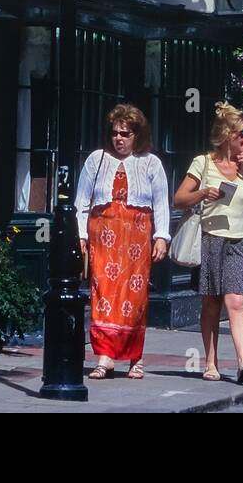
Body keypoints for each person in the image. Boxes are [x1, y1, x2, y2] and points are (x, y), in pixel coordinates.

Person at [75, 103, 170, 380]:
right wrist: (81, 234)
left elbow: (161, 203)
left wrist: (161, 237)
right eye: (116, 133)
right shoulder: (96, 159)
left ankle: (134, 357)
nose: (119, 138)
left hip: (136, 237)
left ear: (137, 136)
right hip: (103, 235)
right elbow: (82, 202)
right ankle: (105, 357)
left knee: (134, 297)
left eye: (126, 134)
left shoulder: (151, 163)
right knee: (102, 293)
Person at [174, 103, 243, 383]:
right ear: (227, 134)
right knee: (212, 303)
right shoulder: (203, 163)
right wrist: (203, 193)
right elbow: (179, 199)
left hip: (241, 239)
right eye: (242, 133)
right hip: (211, 238)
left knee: (236, 301)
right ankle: (211, 362)